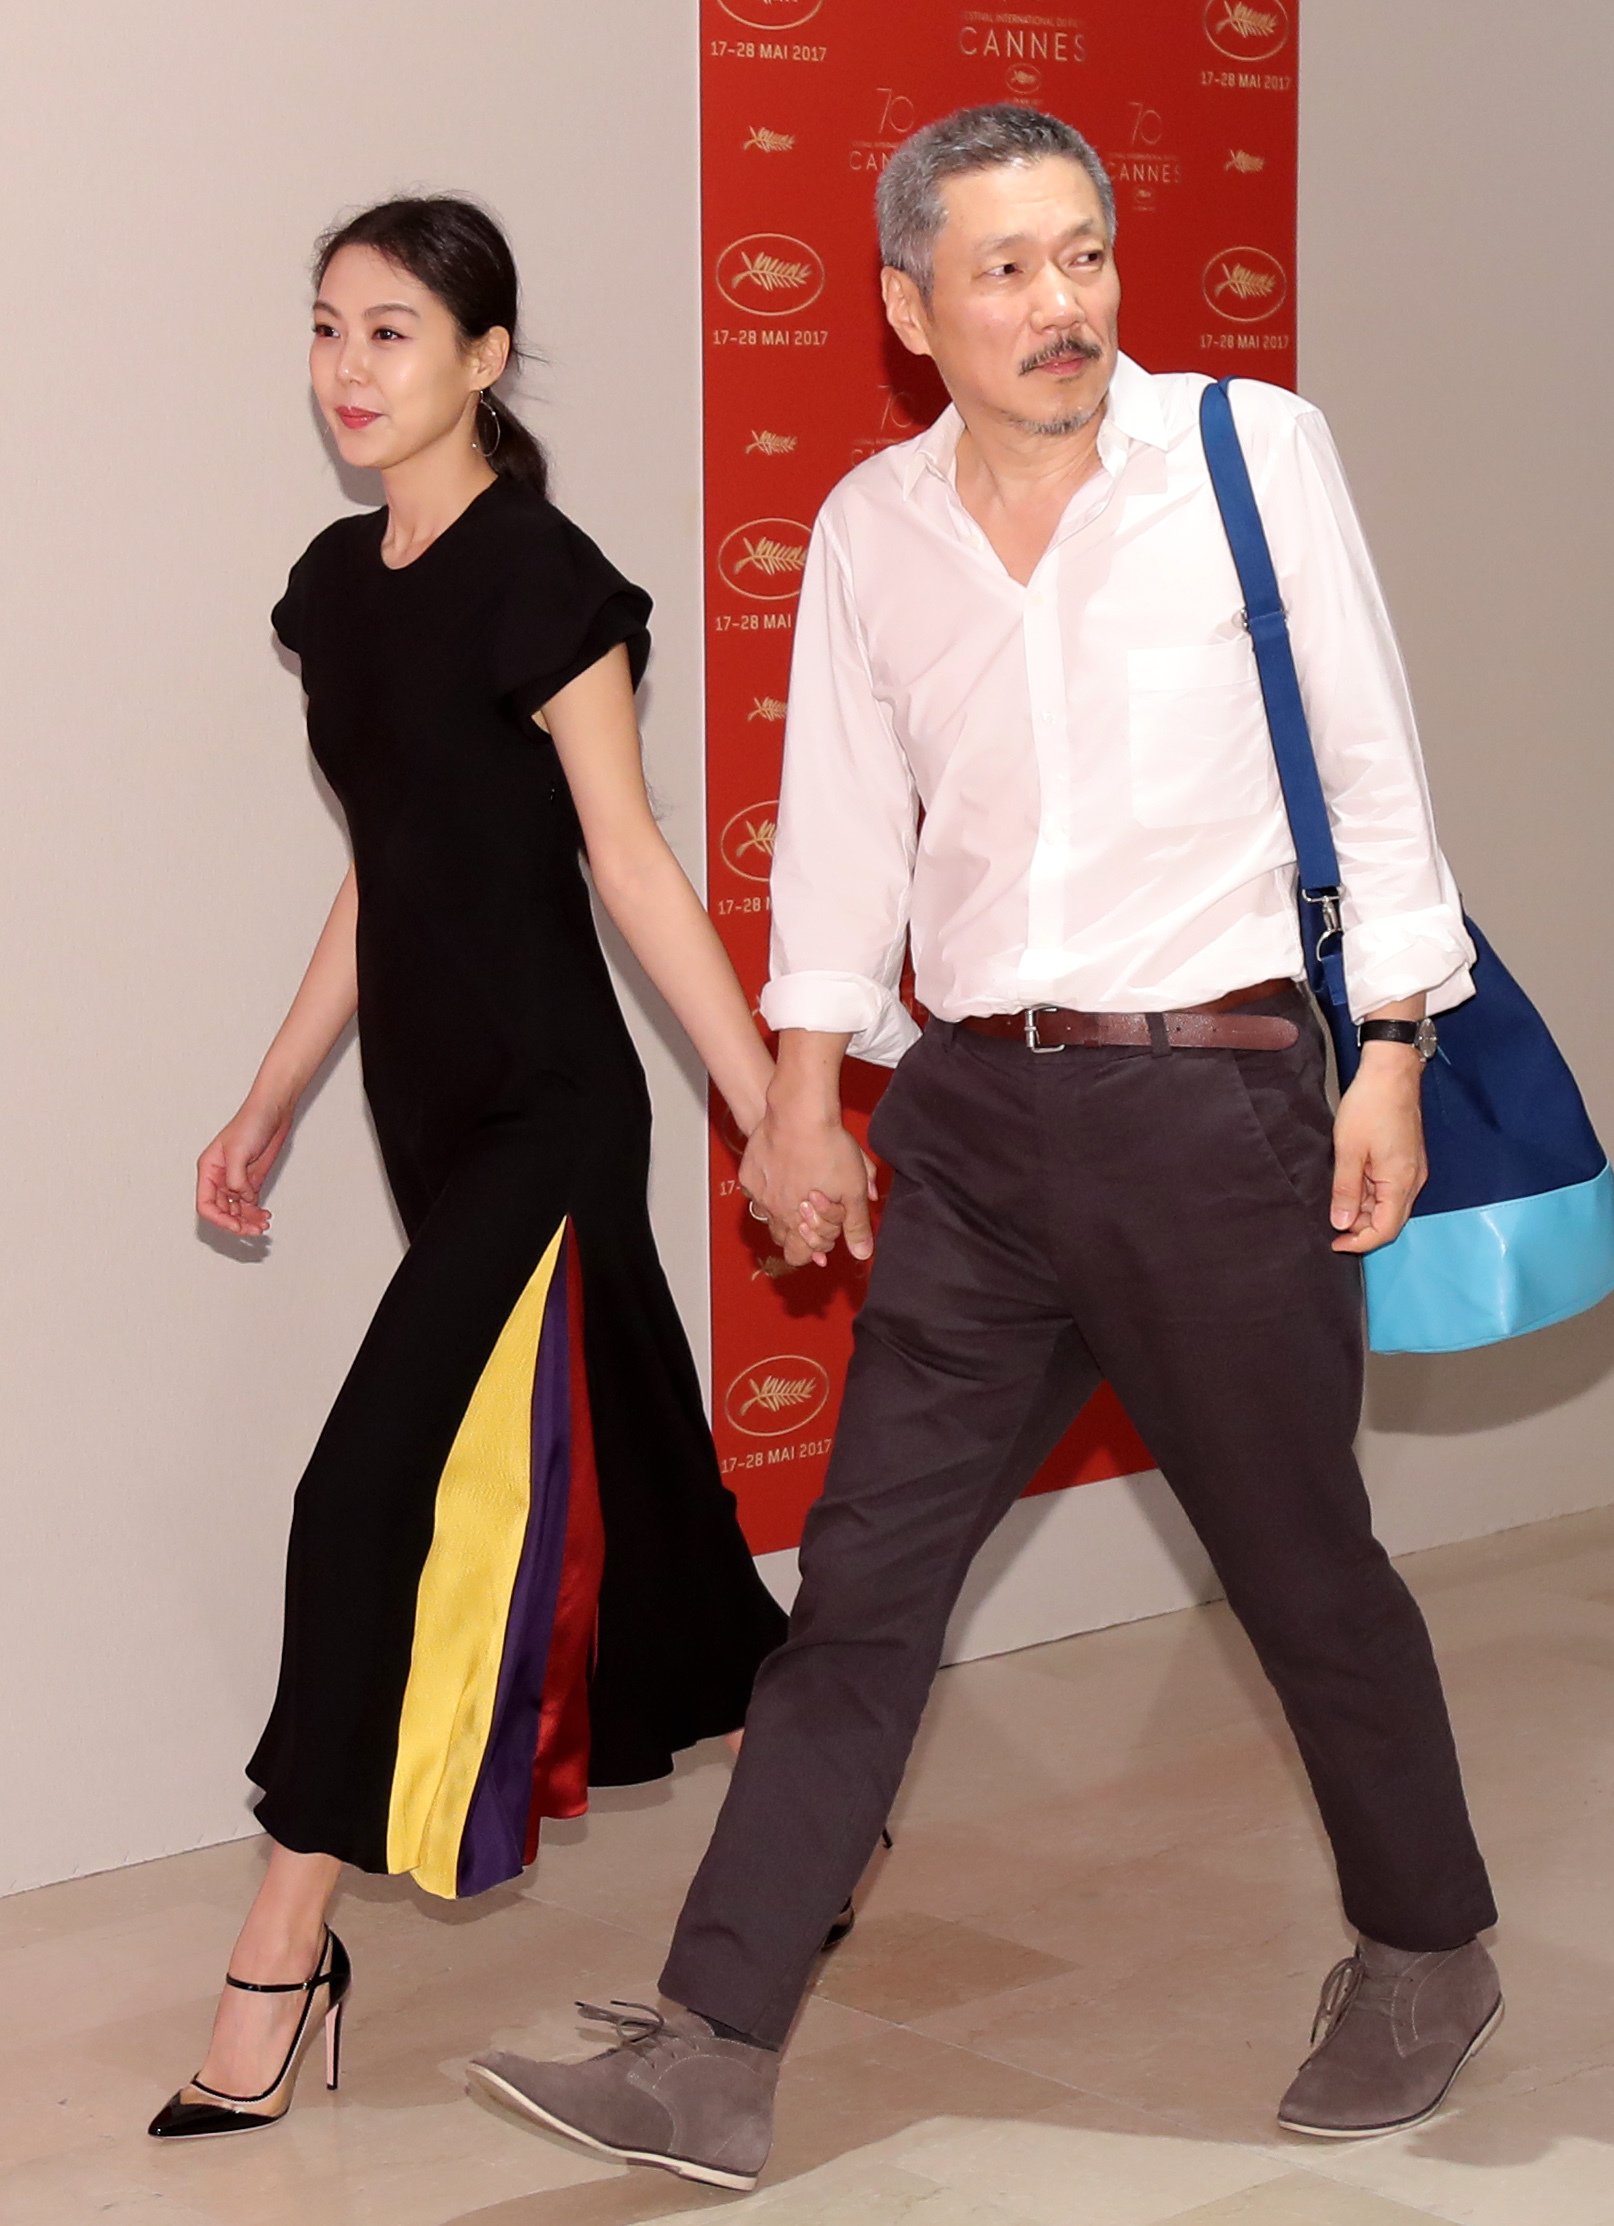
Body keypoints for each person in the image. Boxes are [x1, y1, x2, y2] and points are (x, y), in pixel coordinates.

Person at [471, 107, 1502, 2191]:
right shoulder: (871, 526)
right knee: (861, 1590)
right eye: (1008, 269)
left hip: (1211, 1105)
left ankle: (1425, 1949)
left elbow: (1373, 762)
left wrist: (1390, 1049)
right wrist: (799, 1090)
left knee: (1299, 1568)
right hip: (967, 1126)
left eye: (1085, 254)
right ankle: (713, 2044)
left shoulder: (1243, 455)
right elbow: (846, 832)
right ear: (907, 305)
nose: (1062, 303)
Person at [149, 196, 794, 2141]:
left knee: (359, 1499)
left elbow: (632, 865)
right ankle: (820, 1796)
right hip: (427, 1118)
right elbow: (391, 871)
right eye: (327, 328)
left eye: (394, 332)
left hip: (550, 1117)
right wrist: (270, 1096)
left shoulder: (547, 579)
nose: (349, 370)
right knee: (644, 1505)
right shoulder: (338, 587)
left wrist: (773, 1105)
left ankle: (283, 1952)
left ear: (485, 358)